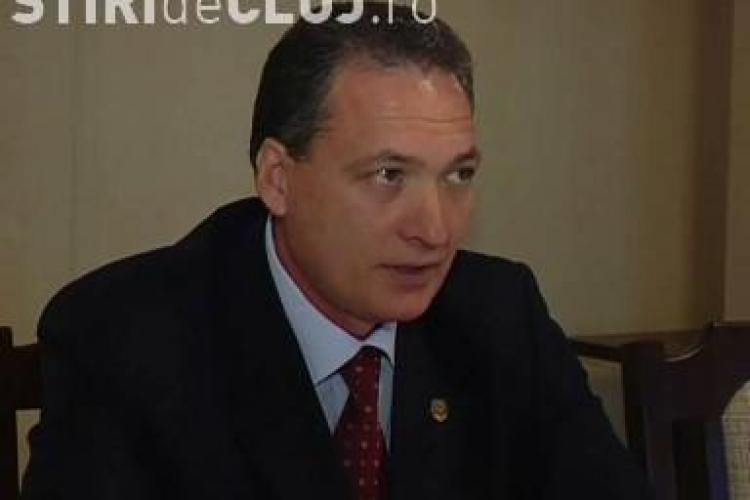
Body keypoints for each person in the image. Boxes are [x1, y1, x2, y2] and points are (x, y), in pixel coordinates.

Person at [21, 2, 652, 499]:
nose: (434, 230)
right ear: (278, 178)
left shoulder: (500, 313)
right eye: (388, 175)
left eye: (458, 175)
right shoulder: (125, 338)